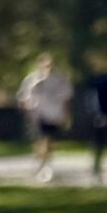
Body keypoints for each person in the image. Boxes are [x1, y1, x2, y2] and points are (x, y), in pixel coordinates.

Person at [18, 53, 72, 184]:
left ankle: (45, 163)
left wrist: (66, 115)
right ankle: (41, 164)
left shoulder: (60, 80)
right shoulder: (32, 80)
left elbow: (66, 98)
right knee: (42, 139)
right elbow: (23, 98)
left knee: (50, 141)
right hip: (38, 115)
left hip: (54, 115)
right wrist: (28, 109)